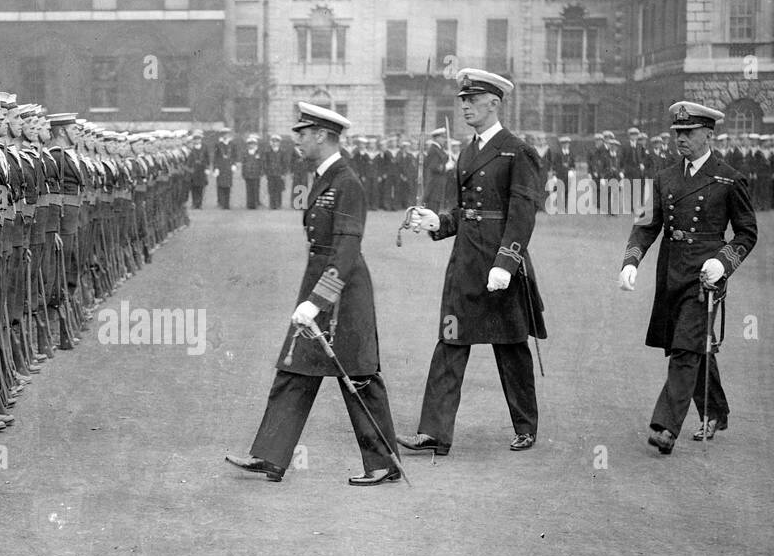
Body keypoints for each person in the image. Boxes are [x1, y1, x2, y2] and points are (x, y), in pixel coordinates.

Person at [225, 102, 400, 486]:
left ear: (322, 135)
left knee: (359, 376)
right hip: (321, 287)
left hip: (344, 294)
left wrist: (318, 301)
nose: (298, 141)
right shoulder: (326, 177)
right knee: (295, 369)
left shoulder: (346, 181)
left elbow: (347, 248)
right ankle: (269, 456)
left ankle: (384, 463)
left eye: (303, 134)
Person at [397, 69, 546, 456]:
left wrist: (506, 263)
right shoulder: (467, 152)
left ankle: (525, 426)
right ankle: (434, 432)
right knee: (450, 342)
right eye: (462, 99)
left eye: (471, 99)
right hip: (465, 263)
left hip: (500, 266)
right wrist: (438, 222)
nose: (463, 105)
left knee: (511, 347)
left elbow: (522, 212)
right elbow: (464, 212)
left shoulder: (518, 150)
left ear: (494, 103)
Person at [619, 102, 757, 453]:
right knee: (692, 344)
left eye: (689, 133)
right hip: (672, 271)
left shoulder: (729, 178)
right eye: (677, 132)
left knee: (686, 345)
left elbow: (746, 233)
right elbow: (646, 224)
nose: (681, 139)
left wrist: (723, 263)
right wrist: (631, 261)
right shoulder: (665, 177)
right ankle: (714, 410)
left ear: (709, 135)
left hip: (706, 275)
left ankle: (665, 426)